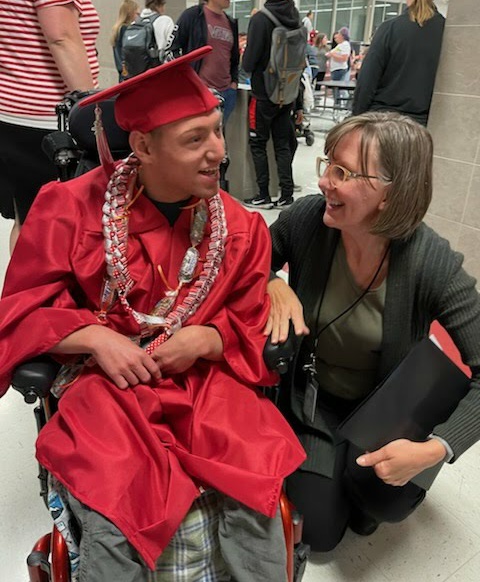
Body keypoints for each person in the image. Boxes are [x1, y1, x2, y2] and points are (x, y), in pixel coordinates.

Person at [0, 48, 306, 580]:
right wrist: (93, 337)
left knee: (251, 483)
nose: (218, 151)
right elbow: (20, 309)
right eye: (195, 139)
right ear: (142, 145)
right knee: (117, 497)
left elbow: (251, 315)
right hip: (108, 384)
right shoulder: (70, 208)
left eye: (217, 130)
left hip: (206, 382)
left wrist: (210, 338)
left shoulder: (239, 227)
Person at [265, 111, 480, 553]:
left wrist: (437, 447)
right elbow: (248, 260)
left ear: (390, 194)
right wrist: (272, 281)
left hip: (387, 416)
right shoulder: (308, 220)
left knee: (385, 504)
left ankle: (363, 486)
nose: (324, 180)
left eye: (342, 172)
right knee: (320, 536)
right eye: (328, 163)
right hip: (316, 401)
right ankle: (338, 467)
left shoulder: (430, 263)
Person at [0, 0, 99, 253]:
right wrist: (92, 112)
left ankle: (23, 292)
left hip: (18, 114)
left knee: (29, 222)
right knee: (52, 228)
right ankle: (38, 292)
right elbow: (62, 38)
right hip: (47, 120)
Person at [242, 0, 302, 210]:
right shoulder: (296, 18)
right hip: (287, 94)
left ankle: (263, 195)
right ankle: (286, 195)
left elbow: (248, 63)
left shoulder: (261, 19)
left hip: (263, 93)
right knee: (282, 144)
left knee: (257, 143)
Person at [352, 0, 445, 126]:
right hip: (424, 124)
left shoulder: (391, 28)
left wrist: (356, 118)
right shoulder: (447, 31)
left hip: (383, 119)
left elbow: (367, 79)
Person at [167, 0, 239, 124]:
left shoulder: (231, 23)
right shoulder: (193, 16)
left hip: (226, 91)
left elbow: (234, 57)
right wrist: (188, 80)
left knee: (219, 137)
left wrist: (234, 82)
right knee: (199, 135)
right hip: (200, 91)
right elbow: (171, 49)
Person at [110, 0, 140, 80]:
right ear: (130, 13)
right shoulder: (126, 30)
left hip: (122, 73)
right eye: (137, 13)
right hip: (128, 73)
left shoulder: (117, 29)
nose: (139, 17)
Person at [326, 28, 351, 107]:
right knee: (335, 88)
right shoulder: (340, 45)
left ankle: (338, 103)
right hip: (335, 69)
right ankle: (337, 102)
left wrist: (332, 54)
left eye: (338, 35)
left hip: (339, 69)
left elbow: (344, 58)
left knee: (338, 88)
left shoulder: (345, 45)